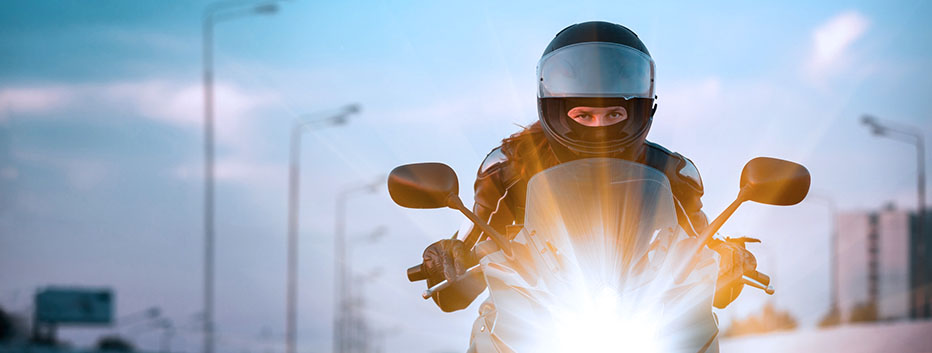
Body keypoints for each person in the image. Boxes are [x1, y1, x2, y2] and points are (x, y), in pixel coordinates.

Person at [421, 21, 756, 312]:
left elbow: (702, 249)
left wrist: (728, 259)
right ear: (554, 110)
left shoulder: (670, 172)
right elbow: (466, 266)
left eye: (614, 114)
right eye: (584, 115)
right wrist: (450, 260)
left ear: (640, 111)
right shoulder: (510, 169)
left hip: (646, 317)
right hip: (529, 322)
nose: (599, 126)